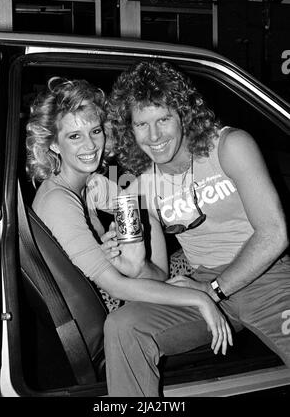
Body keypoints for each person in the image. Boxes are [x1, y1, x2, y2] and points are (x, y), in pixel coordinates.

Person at [25, 77, 232, 397]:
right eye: (74, 136)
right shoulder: (58, 200)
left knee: (190, 253)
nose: (90, 145)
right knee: (204, 264)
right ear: (53, 143)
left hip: (117, 284)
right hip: (112, 303)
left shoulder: (86, 183)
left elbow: (142, 201)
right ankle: (239, 301)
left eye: (95, 131)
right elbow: (115, 284)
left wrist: (125, 234)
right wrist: (199, 296)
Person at [105, 60, 290, 395]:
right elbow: (158, 275)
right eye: (141, 124)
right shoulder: (136, 181)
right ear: (128, 129)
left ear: (184, 115)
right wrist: (134, 265)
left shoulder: (230, 145)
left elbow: (274, 234)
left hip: (267, 278)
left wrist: (214, 290)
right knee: (123, 326)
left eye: (163, 119)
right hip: (200, 282)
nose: (154, 136)